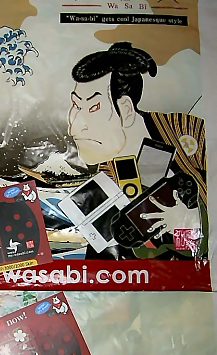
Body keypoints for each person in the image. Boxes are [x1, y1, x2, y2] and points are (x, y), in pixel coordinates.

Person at [67, 41, 206, 258]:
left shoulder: (184, 130)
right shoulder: (105, 181)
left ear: (126, 108)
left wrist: (193, 218)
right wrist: (182, 230)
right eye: (76, 106)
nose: (74, 126)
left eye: (94, 107)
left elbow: (197, 248)